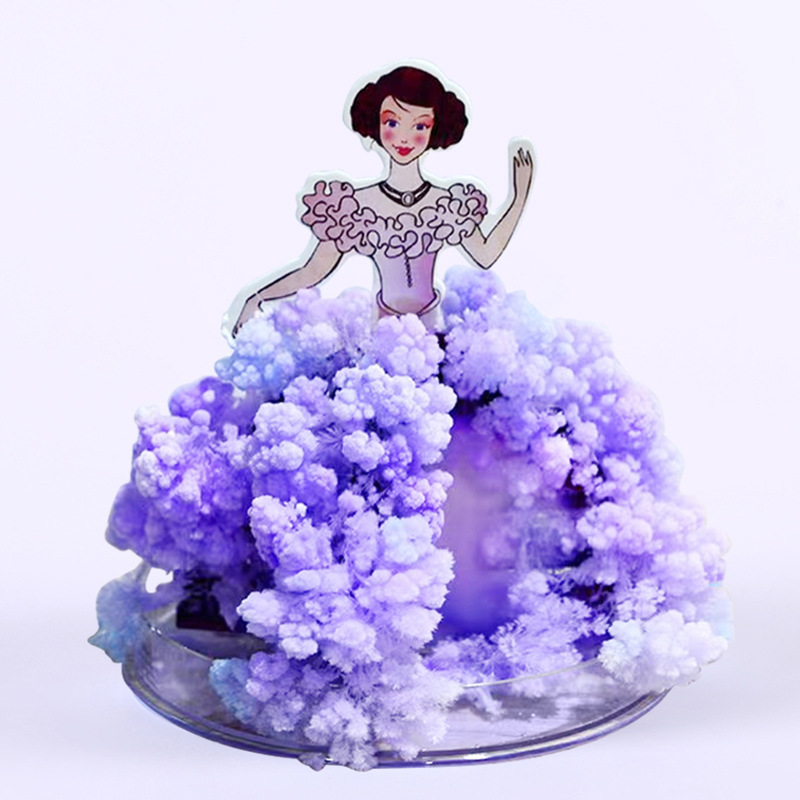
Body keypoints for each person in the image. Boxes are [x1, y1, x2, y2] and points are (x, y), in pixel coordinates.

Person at [229, 65, 534, 337]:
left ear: (435, 130)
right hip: (383, 333)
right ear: (375, 123)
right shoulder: (354, 207)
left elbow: (485, 255)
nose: (404, 138)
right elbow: (313, 271)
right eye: (392, 123)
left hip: (434, 330)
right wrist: (257, 296)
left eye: (419, 126)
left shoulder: (447, 204)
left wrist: (518, 197)